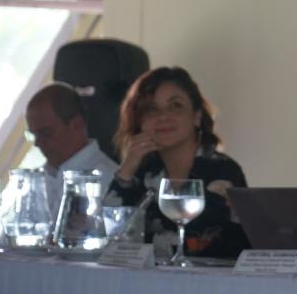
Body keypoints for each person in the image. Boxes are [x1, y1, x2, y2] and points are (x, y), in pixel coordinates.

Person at [104, 67, 249, 259]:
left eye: (175, 106)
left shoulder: (222, 171)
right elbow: (109, 237)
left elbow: (209, 245)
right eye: (151, 109)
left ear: (196, 117)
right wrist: (127, 168)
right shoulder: (143, 170)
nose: (163, 116)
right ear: (140, 121)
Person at [23, 83, 118, 220]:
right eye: (33, 135)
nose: (37, 143)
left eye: (45, 133)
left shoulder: (108, 179)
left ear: (77, 124)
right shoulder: (36, 180)